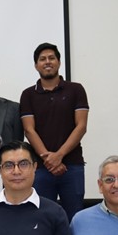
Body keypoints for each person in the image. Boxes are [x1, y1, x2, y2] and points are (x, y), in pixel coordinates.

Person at [19, 43, 90, 220]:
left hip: (72, 166)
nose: (47, 62)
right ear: (36, 65)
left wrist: (59, 155)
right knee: (41, 218)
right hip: (41, 168)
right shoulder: (28, 94)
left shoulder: (76, 89)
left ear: (59, 62)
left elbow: (81, 126)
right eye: (42, 59)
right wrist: (48, 158)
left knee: (75, 218)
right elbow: (29, 129)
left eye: (51, 58)